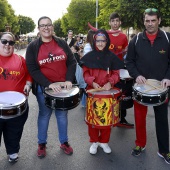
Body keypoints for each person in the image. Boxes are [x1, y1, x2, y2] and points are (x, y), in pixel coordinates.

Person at [25, 16, 76, 158]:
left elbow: (72, 62)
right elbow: (32, 69)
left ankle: (64, 142)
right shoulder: (33, 47)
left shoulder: (61, 43)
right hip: (44, 88)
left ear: (52, 27)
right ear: (39, 29)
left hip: (63, 87)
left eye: (48, 25)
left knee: (62, 115)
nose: (46, 28)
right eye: (42, 25)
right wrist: (48, 84)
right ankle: (41, 144)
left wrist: (68, 79)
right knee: (44, 115)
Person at [126, 8, 170, 164]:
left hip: (161, 88)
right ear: (143, 21)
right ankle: (140, 144)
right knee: (139, 118)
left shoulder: (167, 38)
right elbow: (129, 61)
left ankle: (164, 150)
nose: (150, 24)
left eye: (153, 20)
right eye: (147, 20)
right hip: (141, 88)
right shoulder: (136, 40)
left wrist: (167, 77)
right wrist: (136, 75)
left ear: (159, 20)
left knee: (162, 120)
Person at [81, 29, 124, 154]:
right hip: (92, 90)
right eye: (98, 40)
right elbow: (86, 73)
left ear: (107, 41)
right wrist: (92, 81)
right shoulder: (88, 57)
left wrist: (110, 82)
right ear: (94, 41)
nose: (100, 43)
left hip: (107, 91)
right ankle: (94, 141)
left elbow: (116, 73)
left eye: (103, 40)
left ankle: (104, 141)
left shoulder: (112, 57)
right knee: (93, 119)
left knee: (107, 118)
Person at [0, 32, 32, 163]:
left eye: (11, 42)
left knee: (14, 132)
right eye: (4, 41)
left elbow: (29, 75)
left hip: (18, 107)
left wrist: (28, 84)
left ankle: (12, 152)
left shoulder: (20, 59)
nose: (8, 45)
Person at [108, 12, 134, 128]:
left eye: (117, 21)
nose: (115, 23)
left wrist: (125, 52)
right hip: (107, 70)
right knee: (108, 94)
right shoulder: (105, 35)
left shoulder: (124, 36)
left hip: (119, 70)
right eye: (113, 21)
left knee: (121, 93)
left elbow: (126, 53)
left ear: (120, 22)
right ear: (110, 22)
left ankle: (121, 118)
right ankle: (108, 116)